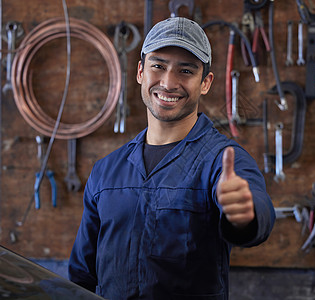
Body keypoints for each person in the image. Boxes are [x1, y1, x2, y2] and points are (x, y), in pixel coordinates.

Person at [68, 17, 275, 300]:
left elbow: (258, 209)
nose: (168, 83)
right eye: (158, 66)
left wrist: (246, 216)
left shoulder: (223, 161)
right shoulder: (107, 170)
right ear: (141, 71)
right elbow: (81, 275)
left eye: (186, 70)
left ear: (205, 83)